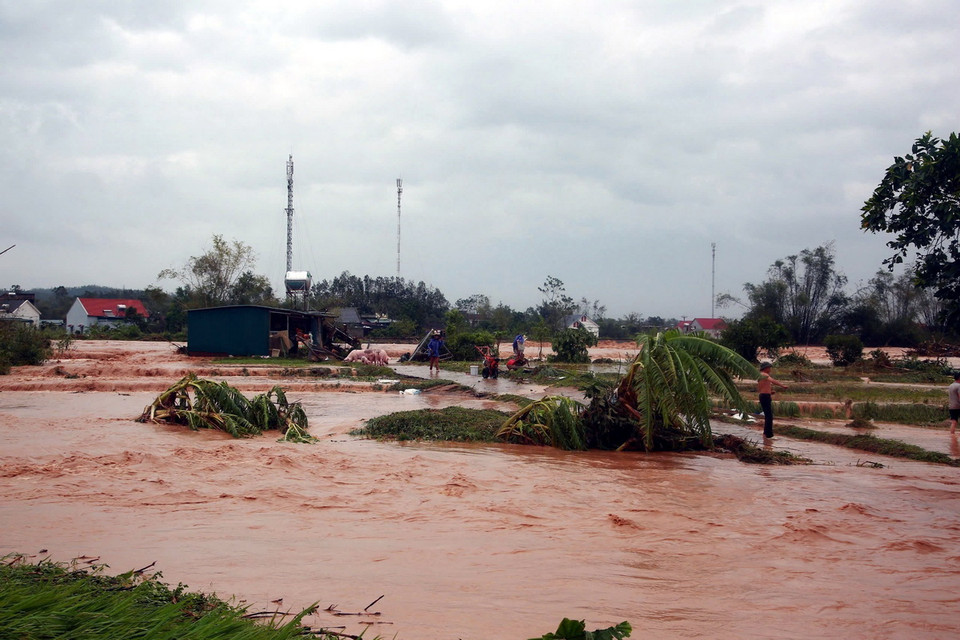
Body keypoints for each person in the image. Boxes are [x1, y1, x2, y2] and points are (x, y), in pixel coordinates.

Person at [758, 362, 788, 439]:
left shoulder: (760, 376)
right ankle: (768, 435)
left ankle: (766, 434)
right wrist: (782, 386)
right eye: (769, 368)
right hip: (765, 396)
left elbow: (762, 387)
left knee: (768, 415)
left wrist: (770, 392)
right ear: (765, 368)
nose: (770, 369)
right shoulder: (764, 375)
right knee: (769, 416)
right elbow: (773, 381)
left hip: (764, 395)